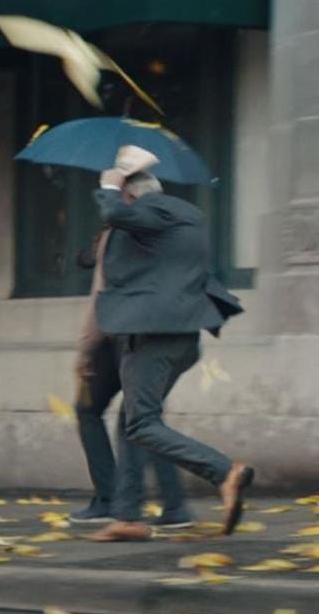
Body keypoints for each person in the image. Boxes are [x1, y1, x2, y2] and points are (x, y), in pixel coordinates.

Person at [88, 146, 252, 541]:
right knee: (133, 419)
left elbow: (115, 213)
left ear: (133, 196)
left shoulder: (156, 210)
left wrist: (109, 185)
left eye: (125, 196)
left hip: (154, 337)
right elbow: (91, 255)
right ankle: (127, 517)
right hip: (176, 335)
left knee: (141, 422)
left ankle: (223, 472)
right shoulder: (175, 219)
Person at [69, 227, 192, 532]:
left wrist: (84, 350)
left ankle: (113, 502)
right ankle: (173, 506)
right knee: (140, 418)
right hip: (157, 335)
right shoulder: (170, 234)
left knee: (104, 413)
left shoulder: (117, 233)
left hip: (121, 336)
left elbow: (100, 294)